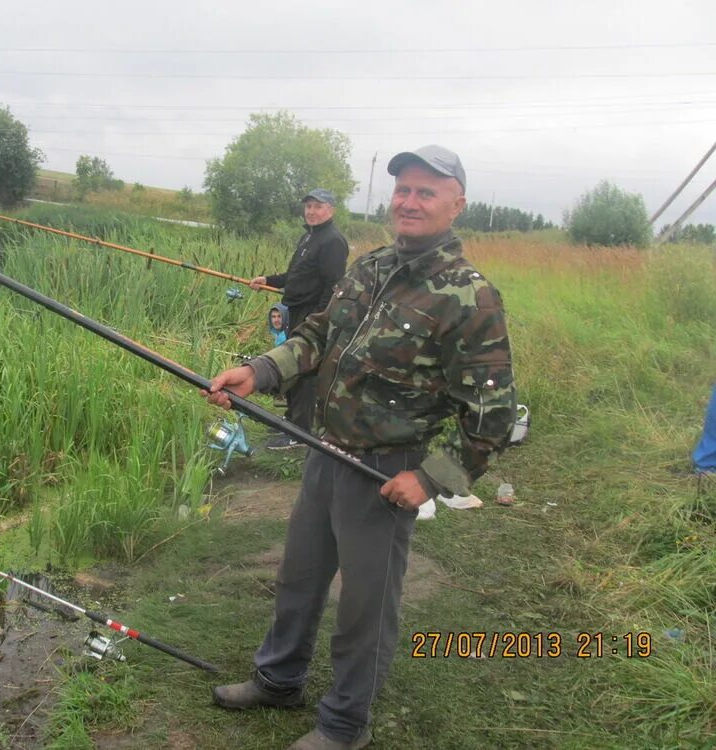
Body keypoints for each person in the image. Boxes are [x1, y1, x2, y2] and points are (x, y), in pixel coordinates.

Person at [203, 145, 517, 750]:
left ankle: (344, 725)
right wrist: (261, 370)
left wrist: (429, 480)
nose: (410, 200)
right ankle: (277, 680)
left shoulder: (470, 297)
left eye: (427, 191)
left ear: (457, 204)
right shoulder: (370, 267)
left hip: (387, 471)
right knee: (299, 576)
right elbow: (318, 334)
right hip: (324, 449)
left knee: (365, 608)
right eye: (403, 189)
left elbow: (492, 416)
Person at [250, 188, 349, 449]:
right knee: (291, 368)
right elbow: (296, 275)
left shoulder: (333, 241)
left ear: (331, 210)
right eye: (309, 206)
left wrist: (318, 320)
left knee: (304, 372)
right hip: (294, 310)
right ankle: (291, 422)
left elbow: (334, 286)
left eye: (318, 206)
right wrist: (268, 280)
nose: (312, 211)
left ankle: (300, 433)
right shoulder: (309, 237)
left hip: (312, 315)